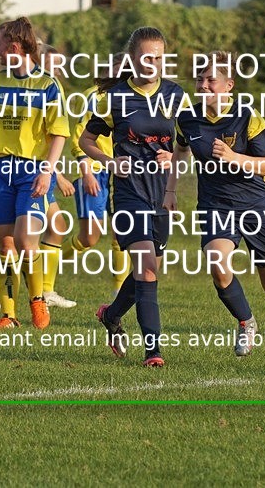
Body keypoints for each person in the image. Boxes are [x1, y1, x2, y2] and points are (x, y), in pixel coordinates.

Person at [164, 51, 265, 373]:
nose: (203, 85)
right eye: (200, 80)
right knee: (217, 261)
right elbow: (180, 151)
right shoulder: (187, 118)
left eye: (211, 80)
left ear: (229, 85)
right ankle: (246, 321)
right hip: (215, 204)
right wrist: (170, 190)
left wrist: (233, 156)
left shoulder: (248, 117)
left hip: (256, 204)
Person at [79, 27, 184, 367]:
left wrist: (174, 165)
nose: (153, 64)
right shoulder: (115, 98)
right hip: (128, 193)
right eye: (146, 58)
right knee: (147, 268)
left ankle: (111, 314)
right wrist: (111, 162)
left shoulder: (176, 95)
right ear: (132, 59)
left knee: (146, 270)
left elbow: (187, 144)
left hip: (162, 194)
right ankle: (153, 351)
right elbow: (86, 141)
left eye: (159, 58)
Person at [0, 17, 70, 329]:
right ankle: (8, 314)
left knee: (24, 239)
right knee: (5, 244)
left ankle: (37, 299)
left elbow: (60, 132)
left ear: (15, 47)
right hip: (0, 171)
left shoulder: (48, 85)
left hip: (33, 171)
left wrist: (48, 171)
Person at [60, 52, 131, 298]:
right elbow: (79, 135)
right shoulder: (94, 95)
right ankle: (45, 266)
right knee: (89, 237)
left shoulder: (132, 96)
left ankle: (118, 291)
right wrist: (86, 170)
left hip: (121, 171)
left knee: (121, 232)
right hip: (95, 170)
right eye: (118, 67)